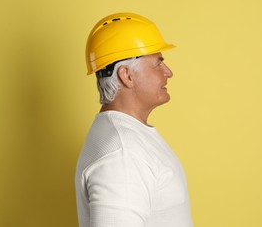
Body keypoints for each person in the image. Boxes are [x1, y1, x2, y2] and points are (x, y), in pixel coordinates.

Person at [75, 13, 193, 227]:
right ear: (126, 75)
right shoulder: (122, 155)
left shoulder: (129, 138)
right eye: (158, 64)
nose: (168, 73)